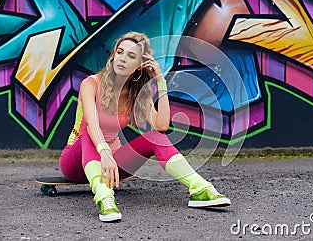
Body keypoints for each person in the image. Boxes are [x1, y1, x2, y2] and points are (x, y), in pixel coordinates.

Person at [59, 32, 230, 222]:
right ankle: (105, 199)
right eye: (120, 52)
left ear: (141, 66)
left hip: (113, 165)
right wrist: (105, 153)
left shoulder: (137, 94)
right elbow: (91, 123)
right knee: (89, 137)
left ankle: (201, 189)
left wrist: (160, 81)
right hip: (77, 160)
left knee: (154, 137)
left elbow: (162, 126)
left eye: (131, 56)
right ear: (113, 55)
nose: (122, 59)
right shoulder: (91, 83)